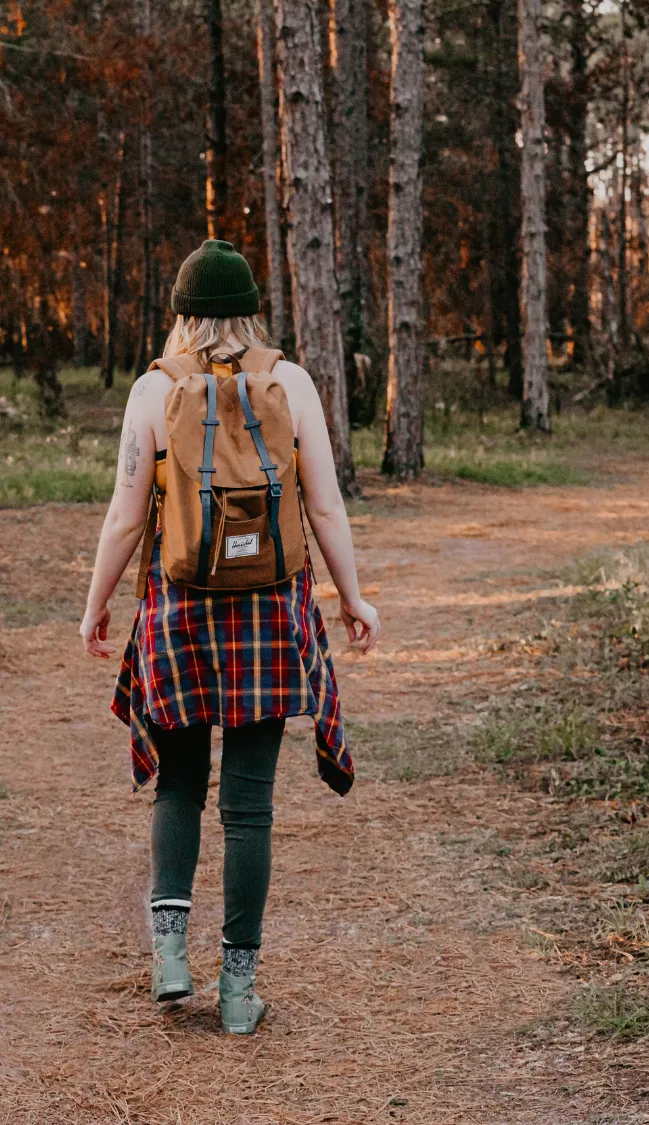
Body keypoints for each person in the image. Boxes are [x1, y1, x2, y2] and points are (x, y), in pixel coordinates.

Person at [79, 240, 379, 1034]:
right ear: (251, 309)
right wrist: (352, 597)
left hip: (179, 610)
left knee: (179, 786)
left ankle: (170, 960)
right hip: (269, 613)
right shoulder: (292, 385)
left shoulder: (154, 390)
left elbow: (124, 514)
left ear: (181, 313)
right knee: (249, 808)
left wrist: (96, 604)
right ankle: (240, 992)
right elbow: (324, 508)